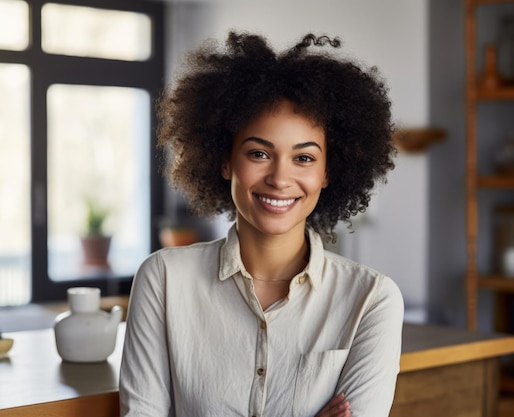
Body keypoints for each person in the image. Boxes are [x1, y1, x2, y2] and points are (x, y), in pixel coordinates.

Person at [119, 31, 404, 417]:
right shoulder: (163, 280)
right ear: (225, 160)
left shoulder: (372, 300)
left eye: (303, 158)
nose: (279, 178)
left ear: (327, 172)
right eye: (259, 153)